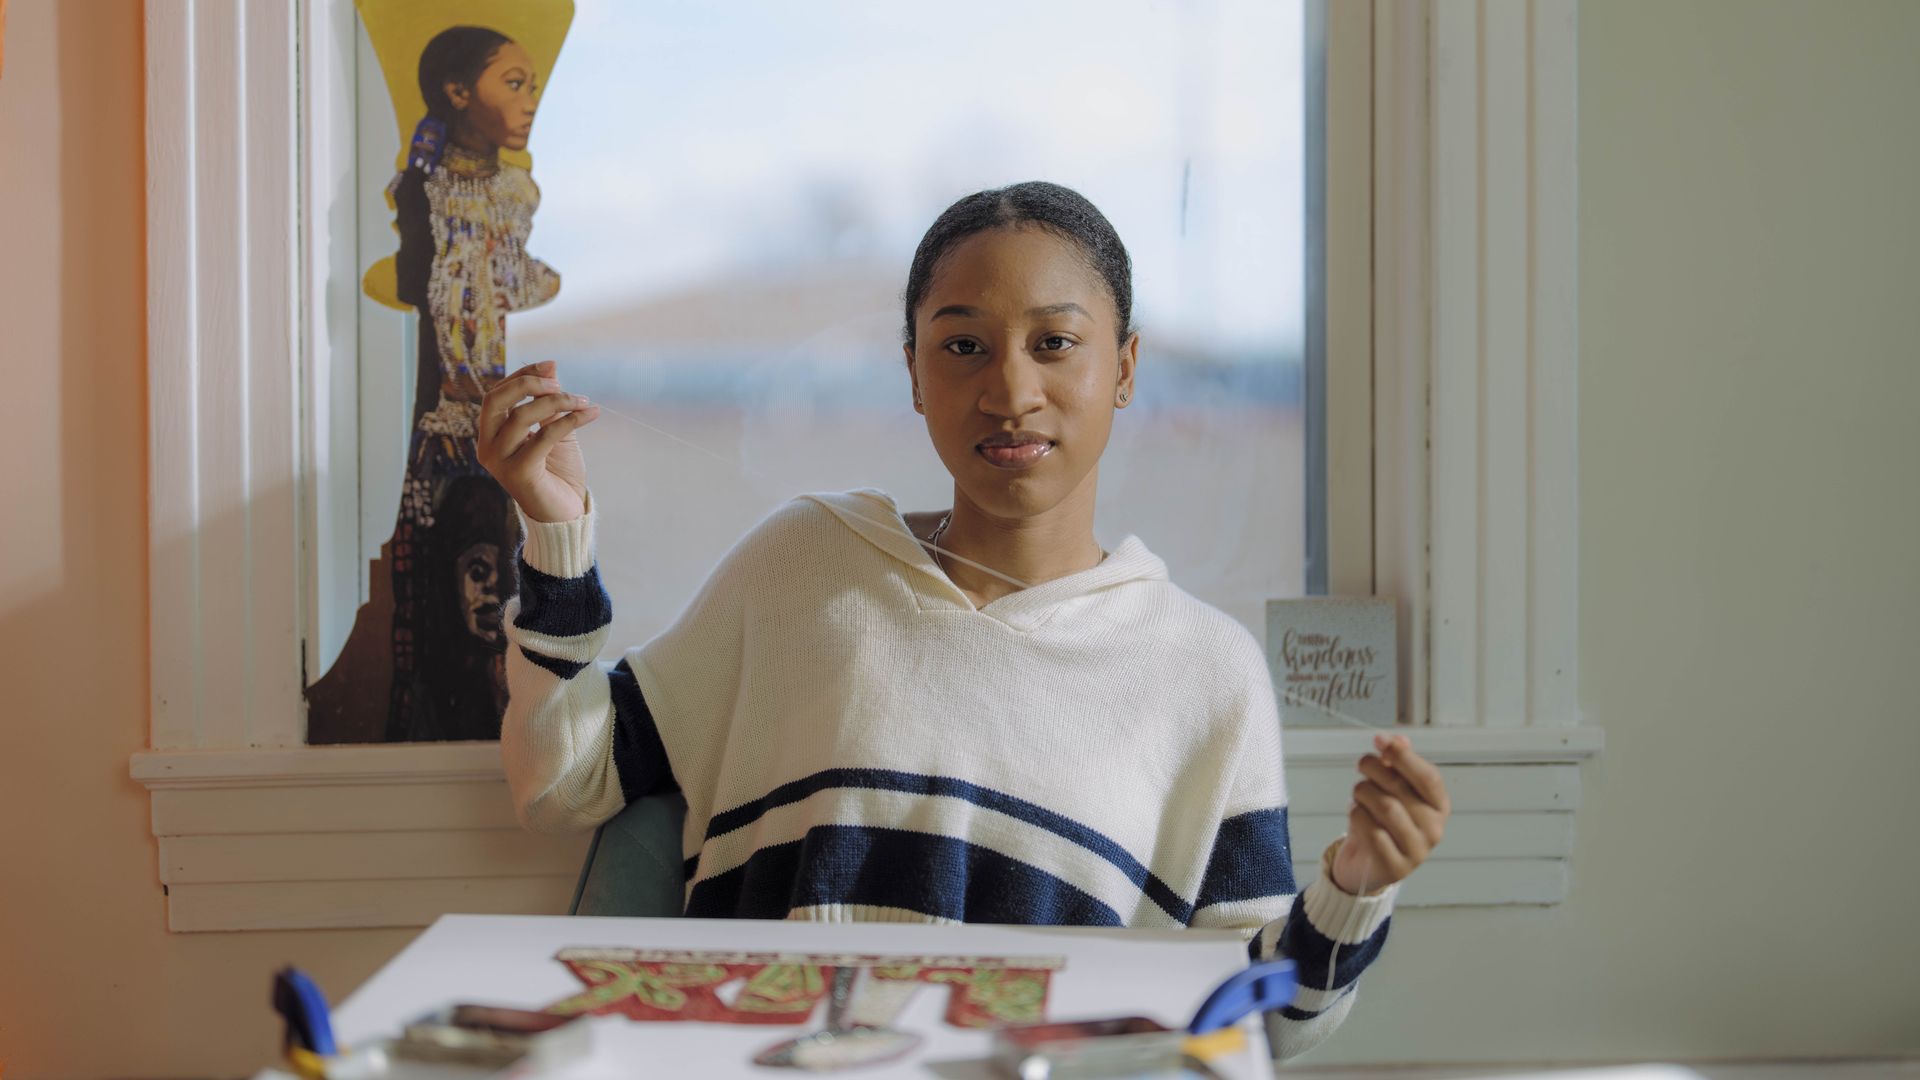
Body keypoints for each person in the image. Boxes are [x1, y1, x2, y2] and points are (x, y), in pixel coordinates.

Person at [479, 182, 1451, 1061]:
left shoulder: (1207, 675)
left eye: (1056, 343)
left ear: (1125, 367)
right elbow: (564, 781)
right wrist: (557, 537)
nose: (1010, 390)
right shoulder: (804, 564)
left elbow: (1262, 1025)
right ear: (912, 372)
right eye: (962, 345)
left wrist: (1356, 880)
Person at [383, 25, 560, 741]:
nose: (529, 103)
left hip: (503, 415)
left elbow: (526, 283)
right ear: (459, 93)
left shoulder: (519, 192)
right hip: (444, 419)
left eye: (533, 86)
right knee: (449, 579)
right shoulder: (420, 193)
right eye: (512, 84)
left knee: (506, 572)